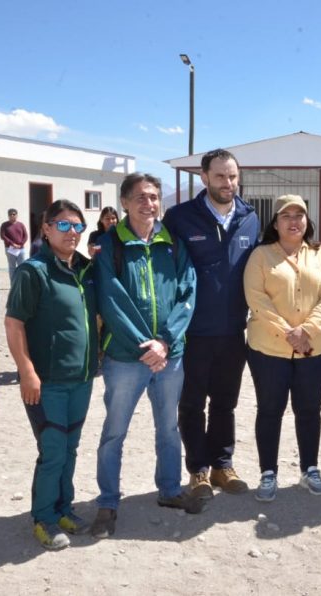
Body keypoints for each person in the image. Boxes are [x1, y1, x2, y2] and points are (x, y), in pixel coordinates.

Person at [91, 173, 201, 539]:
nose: (148, 203)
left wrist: (166, 342)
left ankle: (169, 490)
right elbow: (111, 299)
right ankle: (108, 501)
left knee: (168, 427)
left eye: (153, 197)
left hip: (171, 357)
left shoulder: (173, 243)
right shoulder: (111, 246)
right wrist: (147, 344)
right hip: (126, 358)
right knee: (114, 431)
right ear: (124, 202)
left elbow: (188, 290)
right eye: (139, 197)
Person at [162, 149, 260, 499]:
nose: (227, 183)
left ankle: (222, 465)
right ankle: (198, 470)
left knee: (225, 403)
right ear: (203, 178)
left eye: (232, 176)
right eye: (220, 176)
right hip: (193, 333)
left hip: (233, 331)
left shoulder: (250, 218)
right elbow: (167, 274)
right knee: (191, 404)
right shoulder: (179, 218)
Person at [5, 199, 98, 550]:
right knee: (53, 449)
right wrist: (26, 371)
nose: (72, 232)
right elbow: (14, 324)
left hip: (82, 378)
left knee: (71, 448)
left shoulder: (85, 270)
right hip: (47, 382)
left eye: (77, 226)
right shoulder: (34, 271)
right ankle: (43, 517)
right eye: (63, 225)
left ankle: (63, 508)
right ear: (46, 229)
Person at [243, 195, 321, 502]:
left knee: (309, 410)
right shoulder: (260, 256)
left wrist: (307, 330)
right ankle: (268, 472)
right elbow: (256, 299)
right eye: (286, 216)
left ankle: (309, 468)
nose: (294, 221)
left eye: (300, 215)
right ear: (275, 222)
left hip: (315, 348)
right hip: (268, 350)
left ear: (307, 221)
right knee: (270, 410)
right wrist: (288, 332)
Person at [0, 208, 29, 284]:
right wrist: (12, 244)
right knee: (12, 267)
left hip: (20, 249)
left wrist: (21, 244)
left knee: (22, 266)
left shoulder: (21, 225)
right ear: (8, 216)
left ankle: (22, 283)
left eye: (14, 214)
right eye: (10, 214)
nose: (12, 215)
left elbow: (25, 236)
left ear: (17, 215)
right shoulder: (4, 225)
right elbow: (2, 236)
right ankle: (13, 284)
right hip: (10, 249)